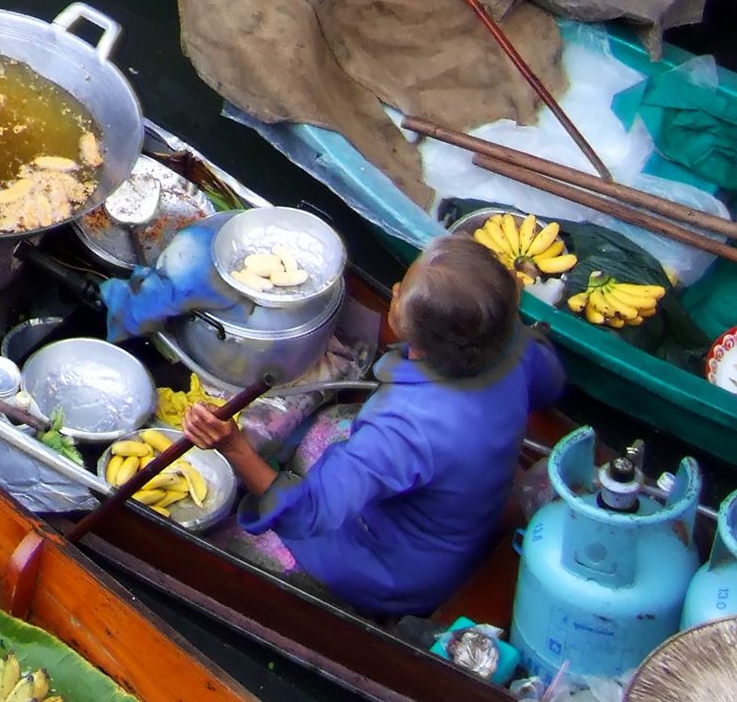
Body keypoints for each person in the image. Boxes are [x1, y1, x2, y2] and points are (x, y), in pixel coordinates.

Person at [183, 235, 563, 617]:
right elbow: (551, 384)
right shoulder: (515, 344)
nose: (395, 290)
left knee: (222, 549)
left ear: (422, 338)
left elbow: (305, 513)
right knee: (332, 428)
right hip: (466, 520)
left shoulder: (403, 426)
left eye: (400, 293)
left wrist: (234, 446)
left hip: (399, 572)